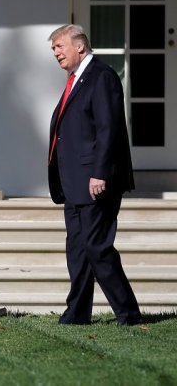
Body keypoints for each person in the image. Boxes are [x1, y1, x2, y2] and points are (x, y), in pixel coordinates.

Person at [47, 24, 141, 326]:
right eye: (53, 48)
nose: (56, 52)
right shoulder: (76, 79)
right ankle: (77, 313)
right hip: (74, 182)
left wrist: (100, 174)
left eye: (60, 46)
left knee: (97, 247)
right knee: (77, 250)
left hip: (96, 182)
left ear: (80, 46)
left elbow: (108, 129)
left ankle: (128, 313)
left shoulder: (101, 77)